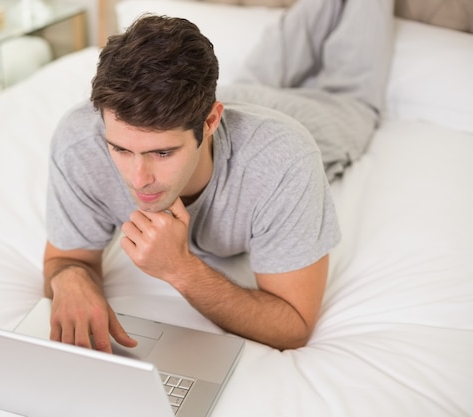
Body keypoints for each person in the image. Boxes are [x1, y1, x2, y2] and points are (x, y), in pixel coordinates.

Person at [43, 0, 394, 351]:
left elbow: (294, 325)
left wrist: (179, 268)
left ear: (210, 122)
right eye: (120, 149)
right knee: (276, 55)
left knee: (351, 92)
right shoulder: (81, 143)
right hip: (238, 96)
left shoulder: (284, 158)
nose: (138, 179)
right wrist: (70, 276)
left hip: (309, 119)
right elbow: (64, 260)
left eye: (162, 153)